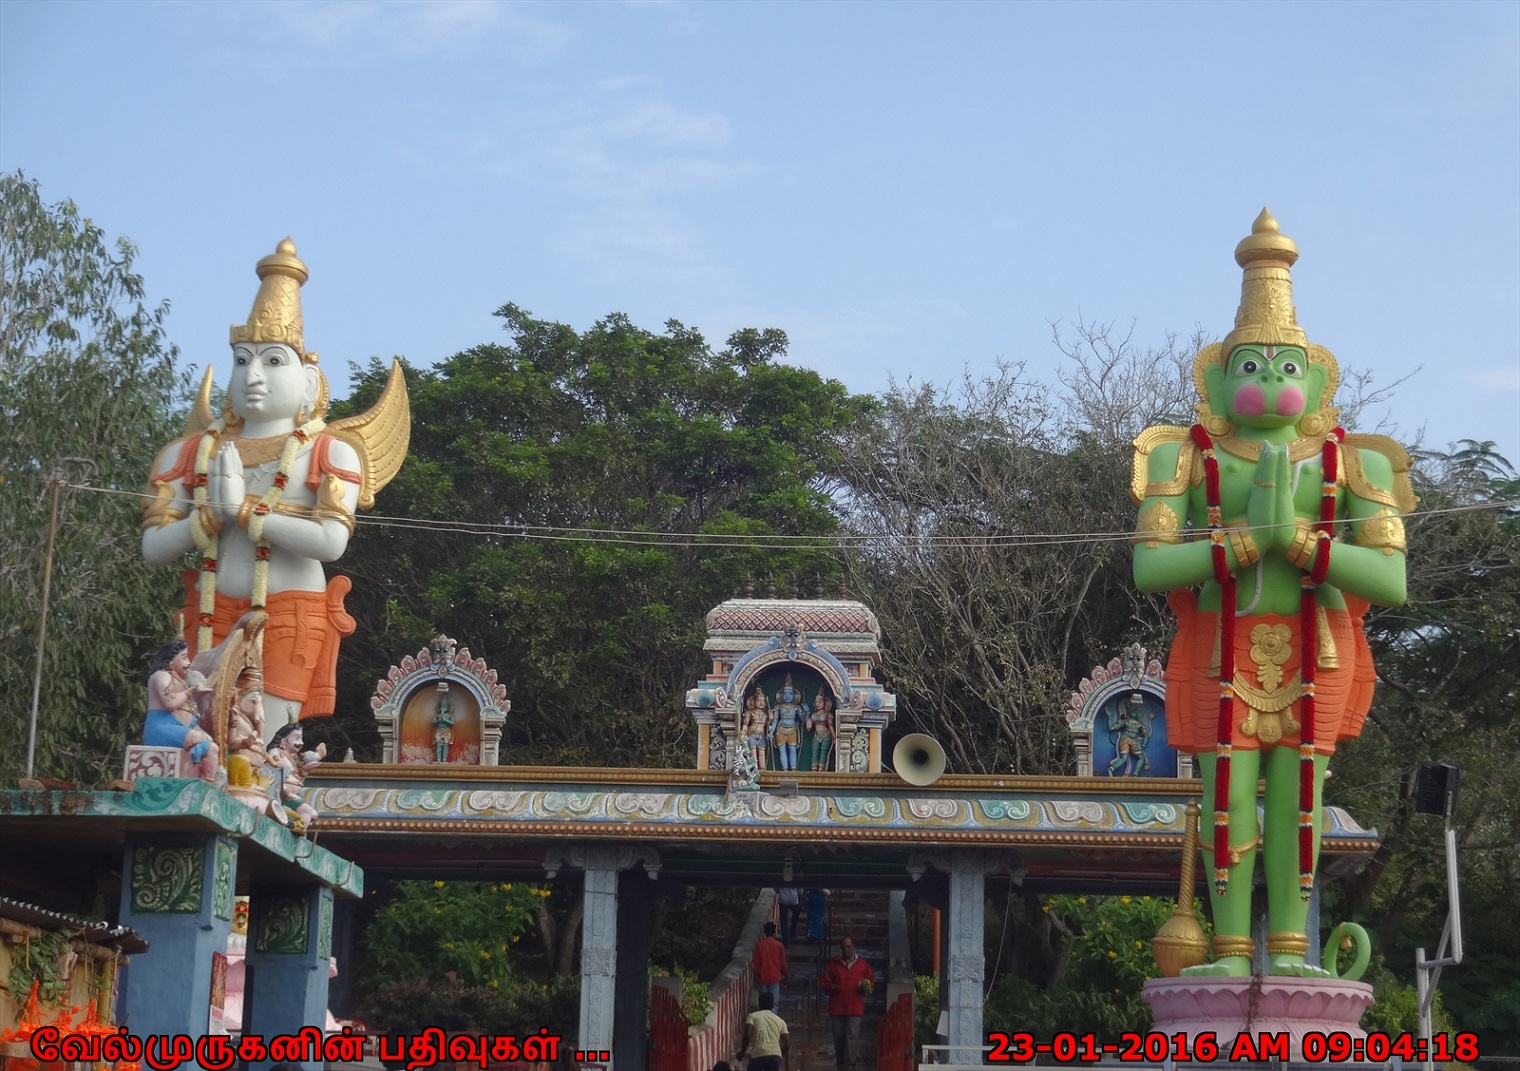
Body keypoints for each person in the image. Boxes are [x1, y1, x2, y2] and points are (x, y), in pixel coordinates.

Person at [1132, 210, 1412, 976]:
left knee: (1297, 807)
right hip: (1223, 648)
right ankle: (1226, 947)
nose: (1267, 381)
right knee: (1227, 802)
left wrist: (1301, 543)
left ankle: (1292, 947)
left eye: (1286, 369)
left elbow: (1391, 579)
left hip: (1314, 649)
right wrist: (1251, 540)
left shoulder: (1356, 464)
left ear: (1318, 377)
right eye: (1250, 367)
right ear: (1217, 377)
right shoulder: (1183, 459)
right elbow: (1151, 567)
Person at [142, 238, 408, 738]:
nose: (254, 376)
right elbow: (153, 548)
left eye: (273, 361)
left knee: (257, 744)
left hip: (289, 614)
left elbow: (331, 542)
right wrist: (208, 518)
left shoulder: (329, 451)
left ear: (309, 381)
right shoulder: (190, 453)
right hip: (208, 612)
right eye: (242, 361)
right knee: (196, 736)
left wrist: (245, 513)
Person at [143, 639, 219, 779]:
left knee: (213, 749)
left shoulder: (178, 680)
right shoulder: (161, 675)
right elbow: (170, 703)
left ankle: (207, 789)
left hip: (179, 730)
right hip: (161, 728)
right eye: (184, 657)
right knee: (196, 737)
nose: (188, 663)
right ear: (171, 660)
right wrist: (190, 692)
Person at [819, 935, 874, 1071]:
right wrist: (831, 987)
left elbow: (871, 981)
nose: (846, 949)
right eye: (843, 947)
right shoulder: (833, 965)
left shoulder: (862, 964)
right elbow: (824, 982)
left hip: (855, 1008)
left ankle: (850, 1065)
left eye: (848, 947)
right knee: (839, 1037)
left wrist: (866, 987)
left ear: (853, 947)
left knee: (852, 1036)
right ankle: (841, 1064)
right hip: (837, 1008)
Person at [737, 990, 789, 1071]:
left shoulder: (752, 1016)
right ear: (772, 1005)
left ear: (759, 1004)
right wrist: (779, 1055)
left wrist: (742, 1052)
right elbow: (787, 1044)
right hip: (775, 1057)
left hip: (759, 1054)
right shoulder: (780, 1021)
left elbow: (747, 1034)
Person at [767, 674, 807, 771]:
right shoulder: (778, 707)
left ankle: (793, 769)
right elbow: (775, 720)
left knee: (793, 750)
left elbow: (804, 720)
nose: (788, 696)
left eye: (790, 693)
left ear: (795, 695)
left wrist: (807, 712)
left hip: (792, 730)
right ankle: (785, 769)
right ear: (781, 695)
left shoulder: (796, 707)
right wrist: (771, 732)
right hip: (780, 730)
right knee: (782, 750)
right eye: (785, 693)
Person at [752, 921, 788, 1012]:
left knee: (764, 1000)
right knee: (774, 1001)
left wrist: (756, 975)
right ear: (774, 932)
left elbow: (757, 963)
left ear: (764, 932)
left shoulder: (759, 945)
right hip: (775, 976)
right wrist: (785, 973)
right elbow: (783, 962)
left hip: (763, 976)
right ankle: (773, 1018)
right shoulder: (779, 945)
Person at [806, 691, 835, 770]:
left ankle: (821, 769)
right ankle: (814, 768)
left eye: (820, 701)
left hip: (826, 735)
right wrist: (808, 720)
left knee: (823, 753)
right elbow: (808, 727)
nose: (817, 704)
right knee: (814, 752)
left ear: (825, 703)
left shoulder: (827, 714)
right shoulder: (814, 715)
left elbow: (830, 726)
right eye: (816, 702)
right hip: (816, 735)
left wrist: (834, 737)